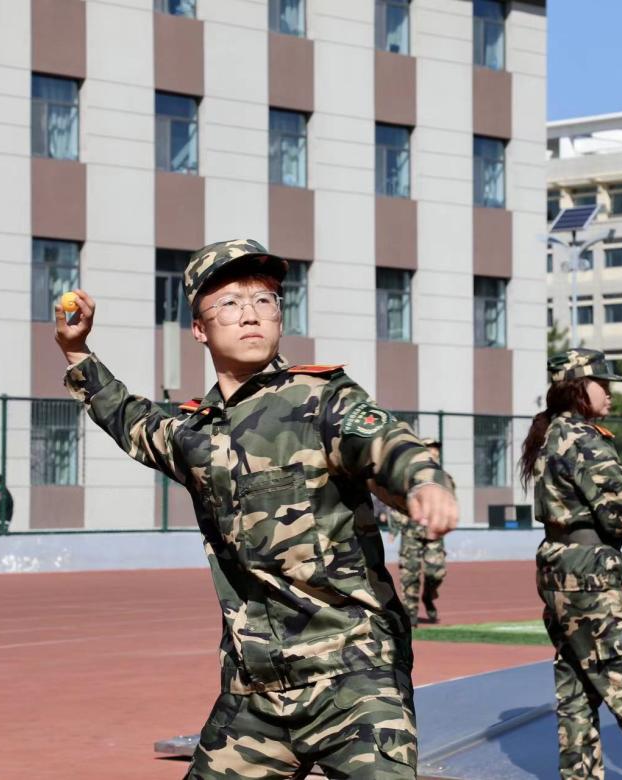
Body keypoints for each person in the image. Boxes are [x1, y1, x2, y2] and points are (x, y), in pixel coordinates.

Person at [54, 238, 459, 779]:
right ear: (199, 328)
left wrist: (425, 480)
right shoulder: (195, 434)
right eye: (229, 302)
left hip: (355, 681)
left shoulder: (321, 399)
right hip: (255, 694)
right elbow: (129, 419)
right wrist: (76, 352)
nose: (250, 313)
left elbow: (384, 440)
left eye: (264, 299)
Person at [519, 348, 622, 780]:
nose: (608, 393)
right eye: (601, 384)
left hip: (558, 569)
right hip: (588, 573)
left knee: (577, 689)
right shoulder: (583, 438)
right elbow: (619, 511)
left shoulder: (552, 433)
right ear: (577, 388)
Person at [387, 438, 449, 626]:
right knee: (409, 574)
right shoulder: (408, 475)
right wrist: (394, 528)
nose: (434, 452)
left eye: (436, 449)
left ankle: (429, 597)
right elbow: (397, 500)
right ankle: (410, 615)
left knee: (436, 573)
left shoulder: (441, 476)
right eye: (430, 449)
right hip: (411, 532)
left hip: (433, 533)